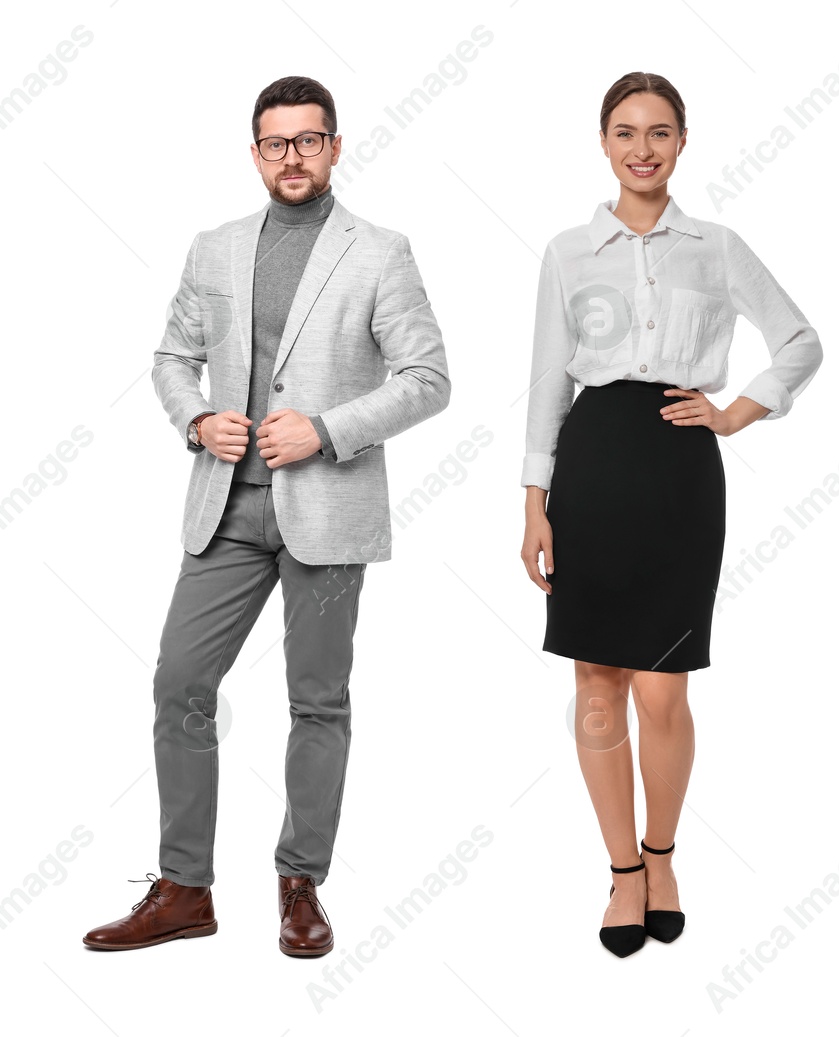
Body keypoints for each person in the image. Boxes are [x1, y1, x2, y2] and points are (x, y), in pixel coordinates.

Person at [82, 75, 451, 957]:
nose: (293, 156)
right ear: (255, 153)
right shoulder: (213, 248)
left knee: (317, 701)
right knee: (180, 680)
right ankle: (183, 889)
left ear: (334, 146)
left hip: (327, 512)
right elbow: (173, 355)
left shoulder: (380, 251)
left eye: (309, 140)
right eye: (276, 143)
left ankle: (299, 884)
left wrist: (327, 430)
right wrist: (196, 418)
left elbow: (428, 378)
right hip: (227, 507)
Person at [520, 71, 822, 958]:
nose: (642, 148)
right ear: (604, 143)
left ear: (683, 142)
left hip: (681, 470)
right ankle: (620, 871)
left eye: (659, 132)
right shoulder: (569, 251)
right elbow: (546, 380)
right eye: (625, 132)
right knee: (595, 684)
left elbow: (801, 341)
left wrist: (736, 410)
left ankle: (663, 857)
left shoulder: (716, 246)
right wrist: (534, 504)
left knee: (663, 684)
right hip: (593, 465)